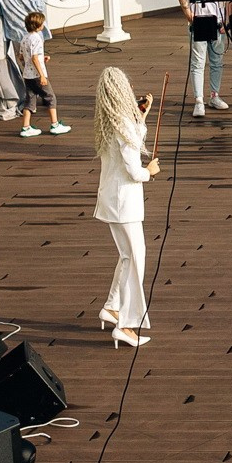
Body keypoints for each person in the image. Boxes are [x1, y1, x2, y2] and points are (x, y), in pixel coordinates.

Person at [91, 68, 158, 349]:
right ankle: (128, 325)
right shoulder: (123, 124)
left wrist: (140, 118)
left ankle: (112, 307)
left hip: (110, 199)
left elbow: (130, 142)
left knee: (127, 257)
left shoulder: (110, 120)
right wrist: (150, 171)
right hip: (125, 204)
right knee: (136, 260)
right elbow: (133, 168)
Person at [14, 12, 67, 137]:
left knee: (30, 100)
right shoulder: (37, 38)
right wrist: (42, 75)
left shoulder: (24, 38)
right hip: (37, 75)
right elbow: (34, 58)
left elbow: (22, 56)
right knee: (50, 97)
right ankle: (55, 124)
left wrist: (41, 59)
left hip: (27, 75)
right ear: (38, 26)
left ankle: (26, 127)